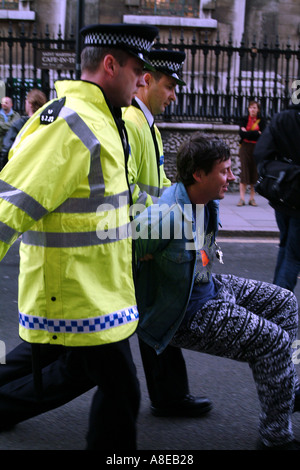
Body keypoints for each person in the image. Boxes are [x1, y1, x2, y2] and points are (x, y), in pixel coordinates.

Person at [0, 23, 159, 450]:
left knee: (93, 383)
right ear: (110, 65)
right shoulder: (69, 122)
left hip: (99, 294)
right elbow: (10, 203)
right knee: (121, 392)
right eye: (138, 69)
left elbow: (110, 199)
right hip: (76, 299)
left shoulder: (105, 119)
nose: (144, 79)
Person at [133, 133, 300, 450]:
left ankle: (285, 392)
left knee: (285, 301)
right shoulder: (166, 216)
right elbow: (121, 251)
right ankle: (275, 437)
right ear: (199, 174)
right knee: (273, 342)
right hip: (187, 314)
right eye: (224, 170)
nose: (233, 177)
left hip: (209, 288)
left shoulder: (208, 202)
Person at [123, 49, 212, 417]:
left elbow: (159, 187)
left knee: (158, 312)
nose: (174, 94)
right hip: (142, 242)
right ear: (146, 80)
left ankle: (169, 395)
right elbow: (126, 187)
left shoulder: (149, 126)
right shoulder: (131, 122)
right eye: (170, 85)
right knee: (68, 356)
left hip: (153, 239)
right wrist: (150, 233)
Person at [254, 100, 300, 292]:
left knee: (284, 246)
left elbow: (261, 152)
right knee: (294, 255)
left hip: (283, 193)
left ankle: (274, 297)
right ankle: (281, 303)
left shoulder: (281, 119)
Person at [0, 89, 47, 169]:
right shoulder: (48, 124)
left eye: (26, 102)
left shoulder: (21, 124)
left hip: (19, 169)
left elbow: (6, 149)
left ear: (30, 104)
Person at [237, 101, 266, 206]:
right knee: (244, 171)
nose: (252, 110)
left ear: (258, 109)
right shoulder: (244, 120)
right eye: (251, 108)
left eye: (254, 108)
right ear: (248, 109)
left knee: (254, 172)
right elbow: (241, 134)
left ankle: (252, 198)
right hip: (245, 147)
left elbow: (262, 135)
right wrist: (255, 133)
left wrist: (247, 133)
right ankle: (241, 198)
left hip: (256, 148)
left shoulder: (262, 121)